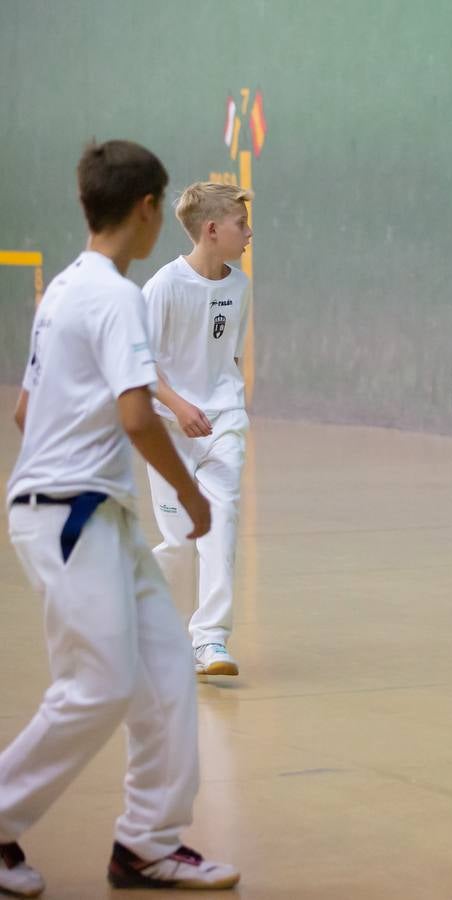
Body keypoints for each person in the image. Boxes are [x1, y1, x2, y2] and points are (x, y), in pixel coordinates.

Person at [0, 140, 239, 895]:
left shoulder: (67, 289)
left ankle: (147, 842)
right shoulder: (114, 295)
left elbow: (25, 409)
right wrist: (193, 495)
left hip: (96, 513)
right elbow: (138, 417)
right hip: (68, 516)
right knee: (98, 685)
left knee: (167, 672)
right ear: (146, 210)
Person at [142, 182, 254, 677]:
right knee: (179, 539)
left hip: (224, 423)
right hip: (169, 430)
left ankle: (210, 641)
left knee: (221, 524)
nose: (249, 232)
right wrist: (178, 405)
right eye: (241, 224)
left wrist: (219, 405)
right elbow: (137, 365)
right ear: (211, 230)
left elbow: (229, 355)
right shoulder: (163, 287)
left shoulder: (241, 286)